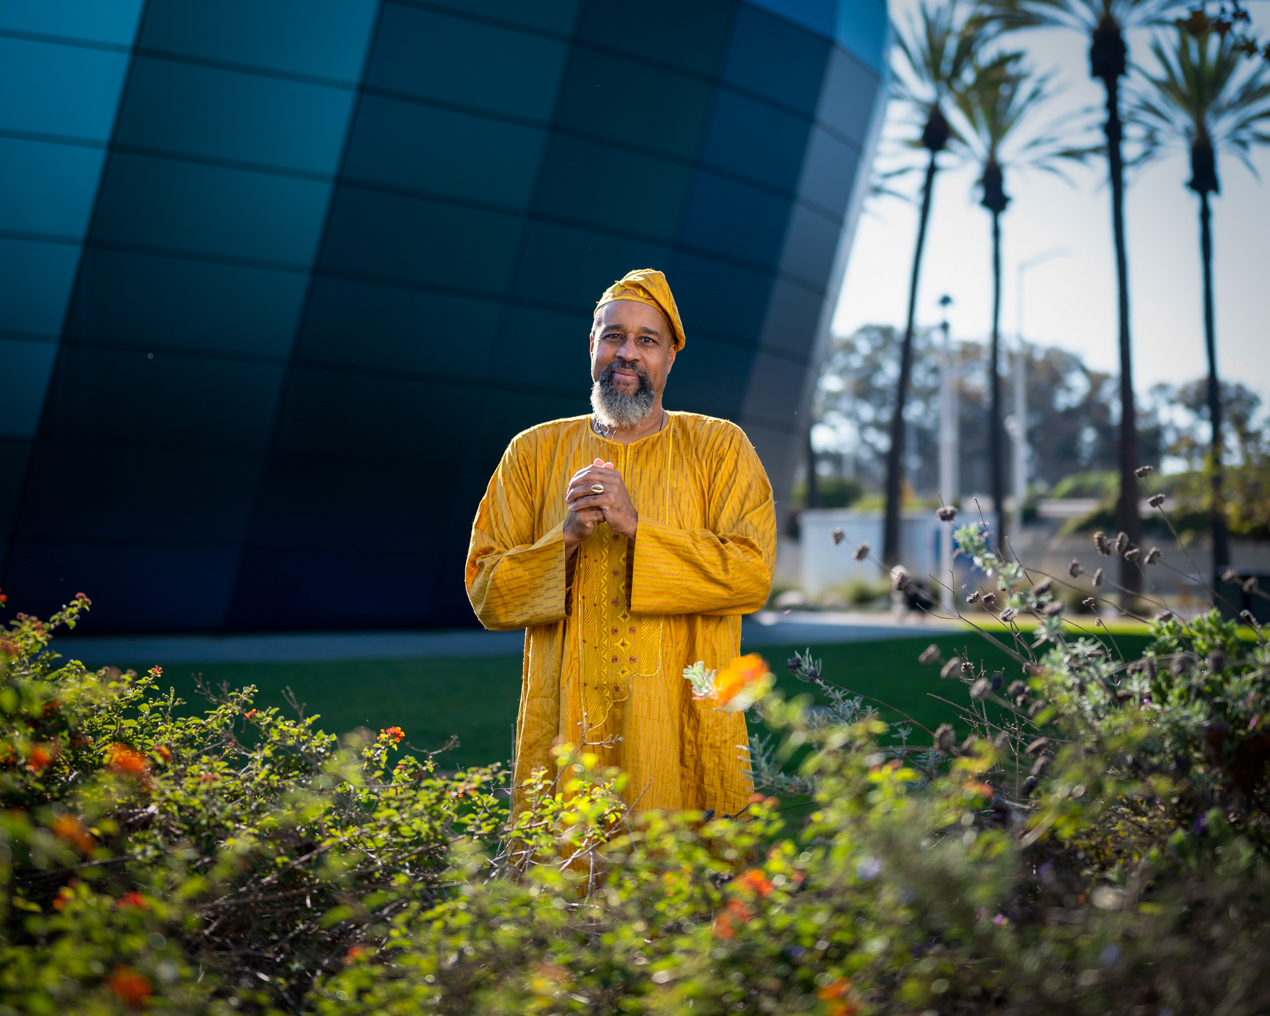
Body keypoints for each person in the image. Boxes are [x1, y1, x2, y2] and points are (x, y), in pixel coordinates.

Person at [465, 269, 776, 819]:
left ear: (670, 357)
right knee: (565, 882)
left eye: (646, 340)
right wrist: (564, 537)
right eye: (613, 336)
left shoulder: (720, 448)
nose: (626, 353)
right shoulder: (532, 452)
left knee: (684, 884)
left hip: (681, 731)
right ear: (591, 346)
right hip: (565, 728)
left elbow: (750, 574)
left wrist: (638, 528)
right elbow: (487, 592)